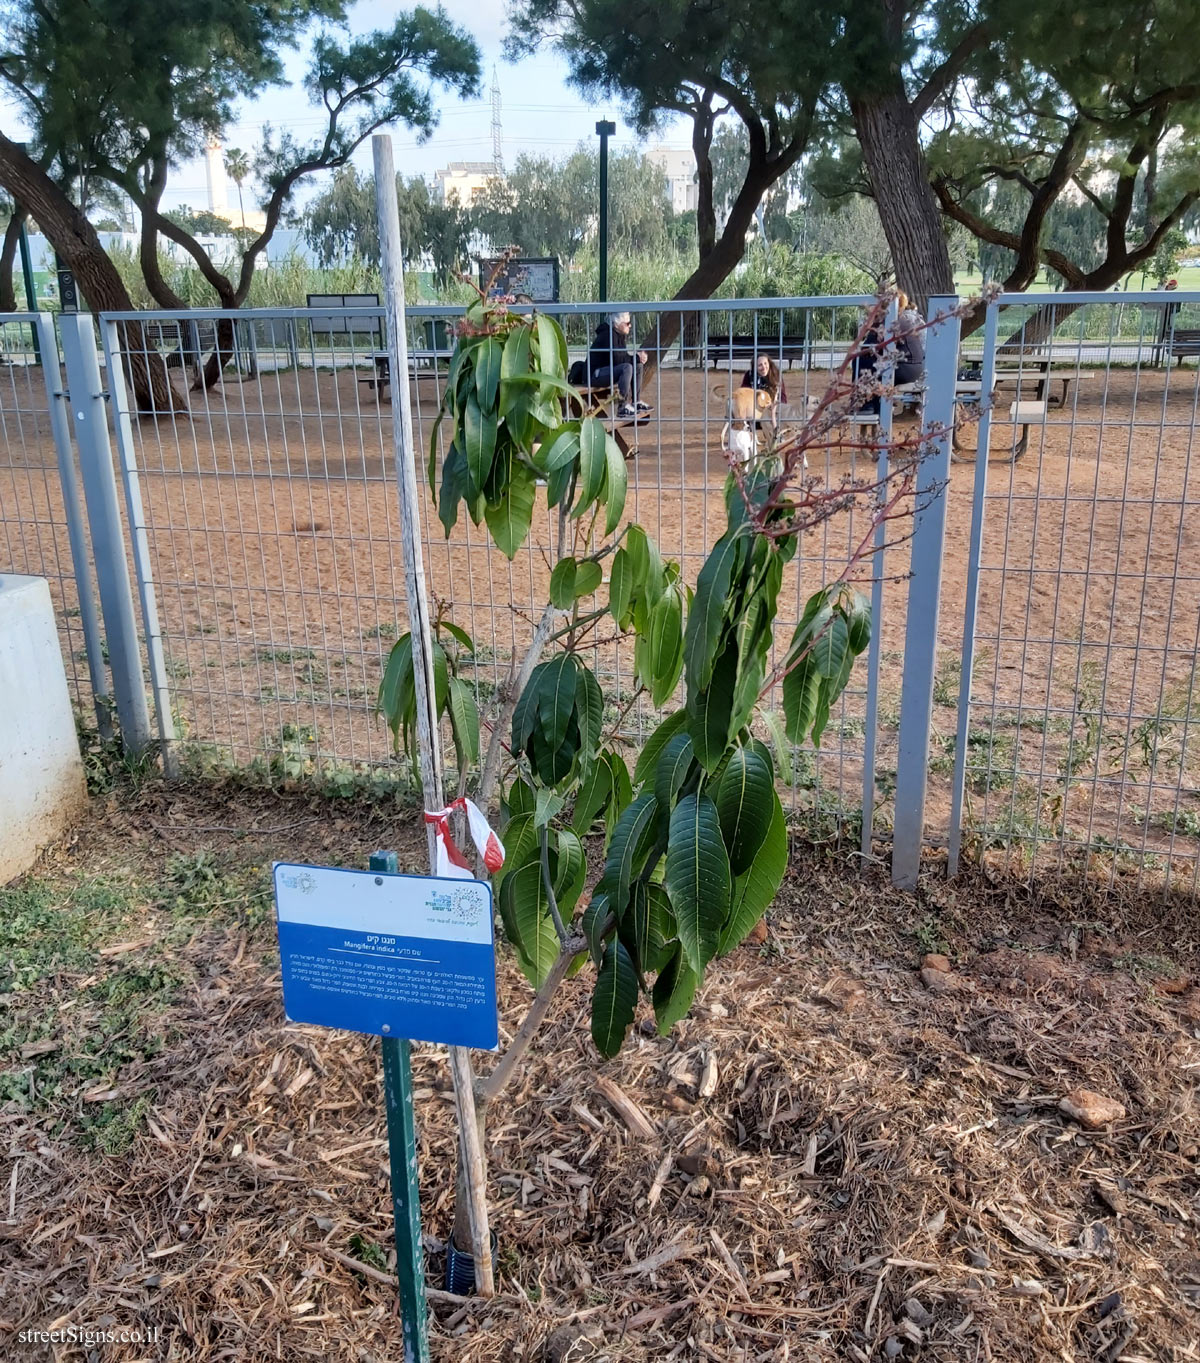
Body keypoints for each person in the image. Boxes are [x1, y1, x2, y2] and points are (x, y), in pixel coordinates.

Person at [587, 311, 650, 418]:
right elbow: (618, 359)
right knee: (627, 367)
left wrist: (637, 359)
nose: (630, 325)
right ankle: (622, 407)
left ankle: (636, 401)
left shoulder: (618, 334)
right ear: (616, 323)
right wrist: (636, 357)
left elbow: (622, 357)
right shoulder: (608, 335)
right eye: (627, 323)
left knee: (637, 365)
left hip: (607, 371)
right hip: (595, 374)